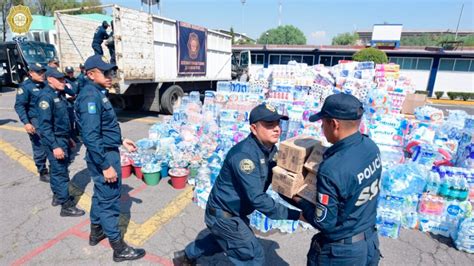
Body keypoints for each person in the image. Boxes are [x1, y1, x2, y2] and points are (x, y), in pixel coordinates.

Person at [174, 103, 303, 265]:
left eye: (278, 124)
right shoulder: (245, 157)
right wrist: (296, 215)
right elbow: (258, 199)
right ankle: (187, 256)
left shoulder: (269, 150)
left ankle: (184, 257)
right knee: (252, 255)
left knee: (220, 241)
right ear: (254, 129)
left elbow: (280, 182)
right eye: (270, 125)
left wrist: (301, 202)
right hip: (224, 214)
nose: (277, 129)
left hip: (231, 211)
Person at [293, 94, 382, 266]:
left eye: (323, 122)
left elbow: (325, 222)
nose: (322, 128)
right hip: (368, 242)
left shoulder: (332, 169)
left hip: (342, 254)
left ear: (334, 124)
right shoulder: (370, 147)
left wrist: (299, 200)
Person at [75, 55, 145, 262]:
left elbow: (103, 127)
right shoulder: (90, 97)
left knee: (100, 196)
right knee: (110, 202)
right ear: (90, 74)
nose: (110, 76)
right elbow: (90, 135)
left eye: (110, 72)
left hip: (106, 151)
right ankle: (118, 247)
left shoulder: (97, 92)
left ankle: (96, 232)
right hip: (103, 155)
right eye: (105, 72)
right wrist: (105, 165)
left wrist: (121, 140)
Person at [36, 67, 85, 217]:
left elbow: (61, 121)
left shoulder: (59, 93)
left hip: (62, 137)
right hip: (54, 140)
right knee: (61, 172)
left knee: (57, 170)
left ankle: (58, 196)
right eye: (60, 79)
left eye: (64, 79)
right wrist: (56, 146)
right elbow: (44, 127)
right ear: (50, 79)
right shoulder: (46, 97)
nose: (63, 81)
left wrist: (69, 137)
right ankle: (66, 206)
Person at [14, 63, 49, 182]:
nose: (42, 74)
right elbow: (19, 106)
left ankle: (54, 168)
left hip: (47, 119)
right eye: (39, 72)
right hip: (35, 121)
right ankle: (42, 171)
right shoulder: (25, 87)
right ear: (31, 73)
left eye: (43, 72)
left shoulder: (45, 84)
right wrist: (26, 123)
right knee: (39, 146)